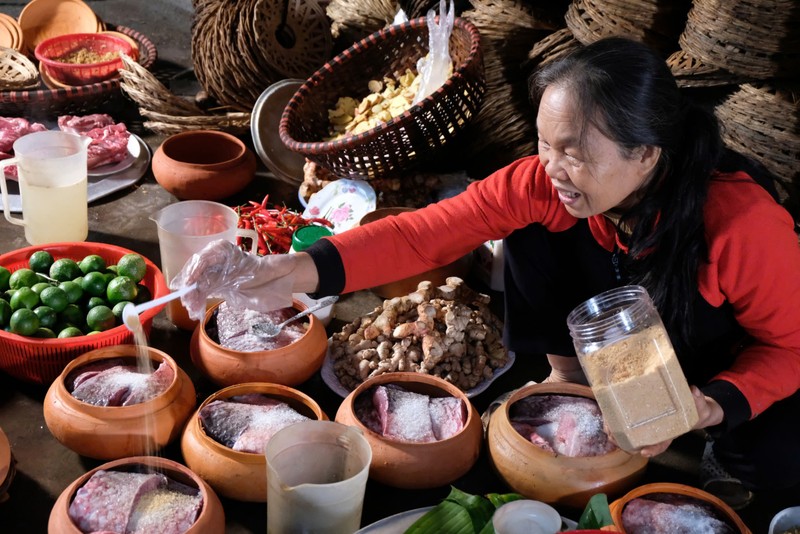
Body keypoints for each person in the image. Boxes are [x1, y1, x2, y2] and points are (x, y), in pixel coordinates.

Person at [174, 37, 800, 509]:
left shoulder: (742, 225)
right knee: (525, 225)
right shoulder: (550, 183)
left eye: (574, 155)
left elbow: (791, 346)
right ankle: (566, 375)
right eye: (545, 146)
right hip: (616, 325)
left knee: (772, 468)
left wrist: (708, 406)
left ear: (645, 153)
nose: (552, 167)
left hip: (715, 357)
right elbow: (426, 233)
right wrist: (296, 270)